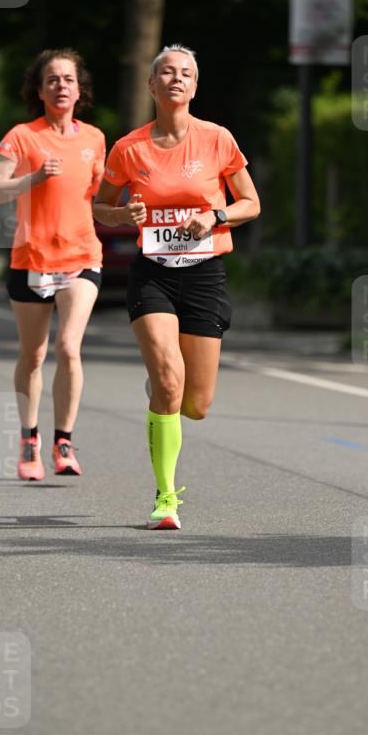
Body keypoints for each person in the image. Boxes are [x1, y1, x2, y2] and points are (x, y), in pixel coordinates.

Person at [94, 44, 260, 529]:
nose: (176, 79)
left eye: (185, 73)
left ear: (195, 86)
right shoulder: (129, 148)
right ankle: (166, 497)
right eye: (166, 72)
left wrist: (215, 216)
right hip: (154, 276)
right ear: (151, 85)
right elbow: (99, 206)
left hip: (205, 274)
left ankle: (163, 387)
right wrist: (123, 214)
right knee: (169, 377)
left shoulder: (217, 139)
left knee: (197, 405)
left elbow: (250, 202)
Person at [0, 49, 106, 480]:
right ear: (39, 89)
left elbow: (97, 200)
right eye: (52, 79)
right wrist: (33, 178)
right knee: (32, 355)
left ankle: (64, 441)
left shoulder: (94, 139)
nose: (61, 86)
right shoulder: (22, 136)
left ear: (79, 89)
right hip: (32, 258)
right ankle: (29, 437)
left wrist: (128, 214)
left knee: (68, 346)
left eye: (68, 79)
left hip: (81, 256)